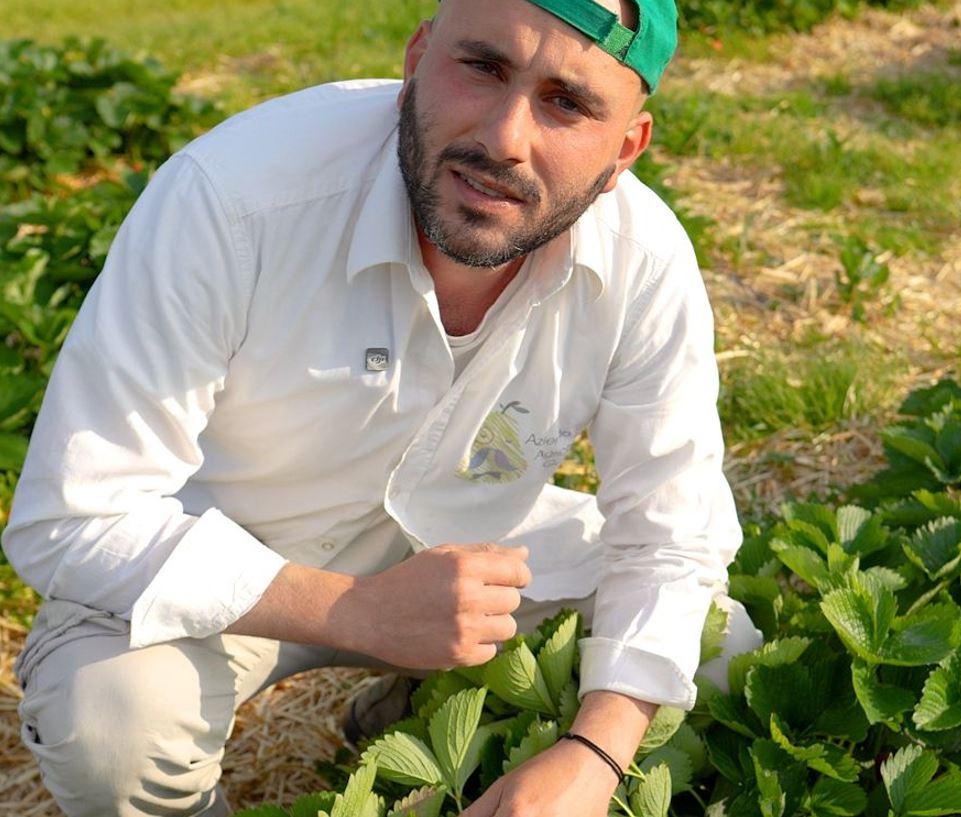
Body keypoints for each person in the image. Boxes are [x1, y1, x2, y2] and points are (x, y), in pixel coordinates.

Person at [1, 0, 762, 814]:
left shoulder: (642, 264)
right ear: (415, 60)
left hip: (460, 543)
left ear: (624, 150)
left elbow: (671, 540)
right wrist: (356, 610)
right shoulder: (236, 199)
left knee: (721, 649)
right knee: (114, 730)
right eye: (483, 67)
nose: (506, 137)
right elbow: (71, 517)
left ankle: (411, 712)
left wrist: (592, 754)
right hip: (217, 563)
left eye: (565, 102)